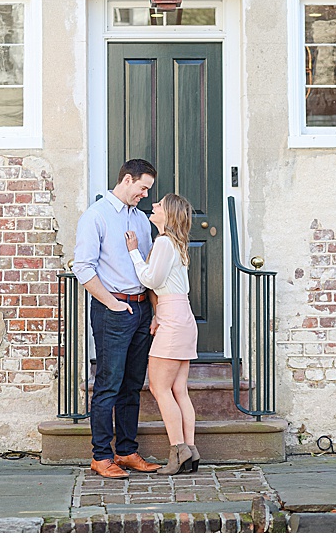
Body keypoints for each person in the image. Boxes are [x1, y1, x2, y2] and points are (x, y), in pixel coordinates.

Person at [73, 159, 161, 479]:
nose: (145, 195)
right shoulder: (95, 216)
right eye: (142, 188)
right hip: (113, 310)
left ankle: (126, 451)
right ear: (126, 179)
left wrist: (154, 312)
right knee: (108, 385)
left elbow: (149, 270)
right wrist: (113, 305)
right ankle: (101, 456)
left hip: (141, 311)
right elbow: (83, 268)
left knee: (132, 384)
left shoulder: (140, 220)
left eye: (148, 190)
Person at [125, 193, 199, 475]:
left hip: (173, 321)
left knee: (159, 388)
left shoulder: (164, 242)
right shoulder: (176, 244)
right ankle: (190, 451)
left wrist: (133, 252)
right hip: (181, 316)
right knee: (179, 389)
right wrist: (157, 314)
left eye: (159, 205)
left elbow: (151, 280)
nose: (153, 206)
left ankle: (178, 450)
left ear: (167, 214)